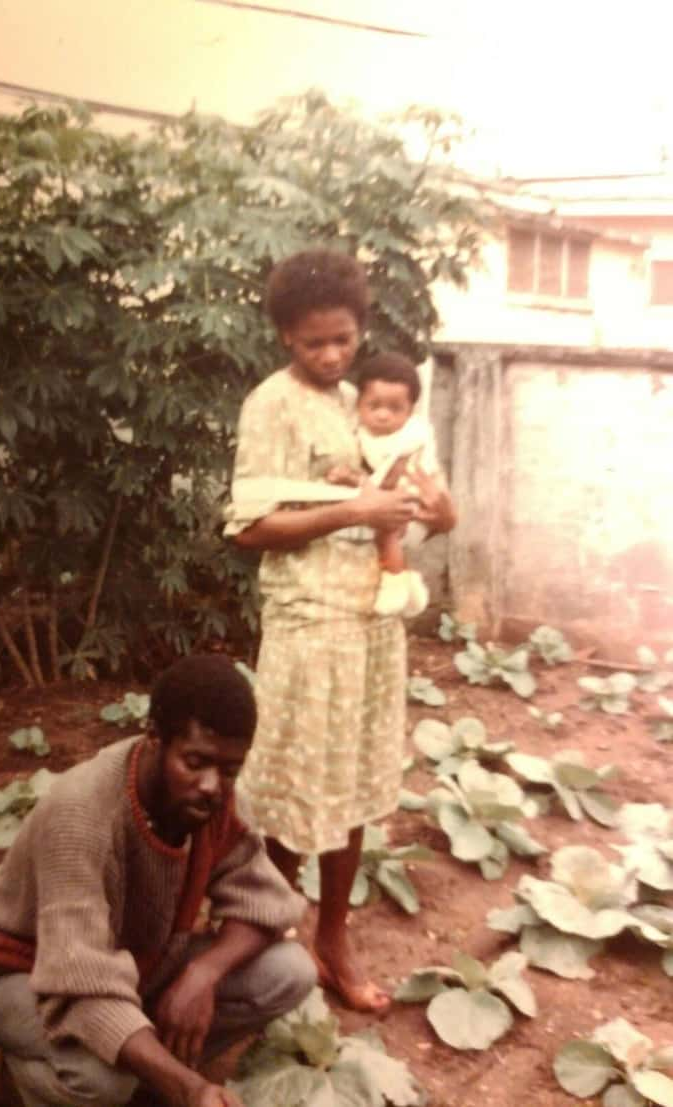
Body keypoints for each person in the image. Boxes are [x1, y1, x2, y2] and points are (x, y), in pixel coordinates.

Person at [224, 249, 455, 1014]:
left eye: (344, 339)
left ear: (361, 329)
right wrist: (353, 511)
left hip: (370, 618)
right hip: (309, 621)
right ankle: (267, 940)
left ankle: (333, 937)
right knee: (294, 787)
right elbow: (250, 525)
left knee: (352, 785)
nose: (331, 355)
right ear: (285, 335)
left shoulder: (369, 403)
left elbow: (407, 506)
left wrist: (420, 509)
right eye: (313, 341)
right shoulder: (272, 405)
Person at [0, 654, 316, 1107]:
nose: (212, 784)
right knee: (103, 1081)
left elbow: (267, 904)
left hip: (130, 965)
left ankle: (146, 1070)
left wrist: (203, 974)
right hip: (25, 973)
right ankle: (26, 1078)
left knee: (289, 972)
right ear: (153, 738)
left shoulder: (210, 800)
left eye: (229, 769)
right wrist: (190, 1089)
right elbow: (79, 983)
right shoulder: (82, 815)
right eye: (196, 762)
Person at [327, 351, 441, 619]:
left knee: (387, 532)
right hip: (383, 496)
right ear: (359, 404)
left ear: (410, 410)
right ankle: (409, 585)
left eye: (395, 408)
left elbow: (390, 478)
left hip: (411, 493)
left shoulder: (409, 438)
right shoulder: (359, 430)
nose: (382, 415)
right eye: (374, 405)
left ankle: (396, 581)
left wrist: (353, 478)